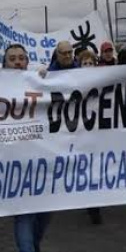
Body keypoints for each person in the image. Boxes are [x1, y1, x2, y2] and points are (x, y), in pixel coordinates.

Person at [6, 44, 52, 252]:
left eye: (22, 58)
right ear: (4, 63)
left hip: (41, 160)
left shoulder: (38, 83)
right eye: (12, 59)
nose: (17, 62)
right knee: (24, 215)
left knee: (45, 212)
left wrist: (48, 78)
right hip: (13, 164)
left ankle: (32, 247)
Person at [46, 42, 103, 225]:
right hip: (61, 127)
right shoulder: (49, 74)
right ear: (57, 54)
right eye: (64, 53)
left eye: (70, 52)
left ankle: (93, 206)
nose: (68, 56)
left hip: (83, 126)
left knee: (88, 165)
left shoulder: (80, 73)